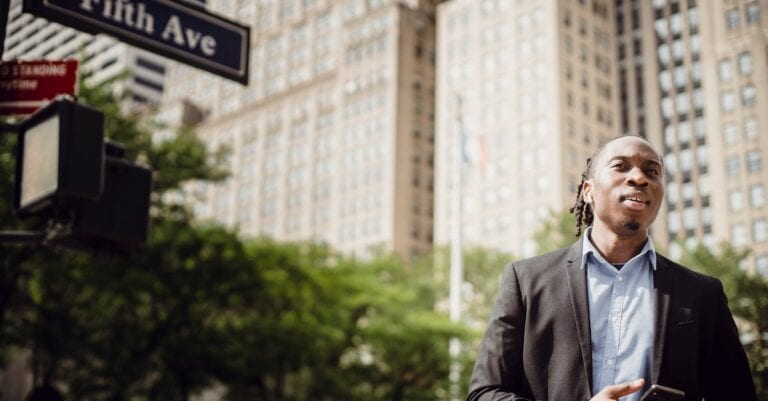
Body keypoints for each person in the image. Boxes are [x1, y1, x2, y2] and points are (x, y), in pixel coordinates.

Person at [466, 135, 756, 401]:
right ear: (588, 191)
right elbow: (485, 393)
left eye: (652, 171)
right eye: (621, 166)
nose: (639, 178)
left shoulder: (703, 293)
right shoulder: (525, 281)